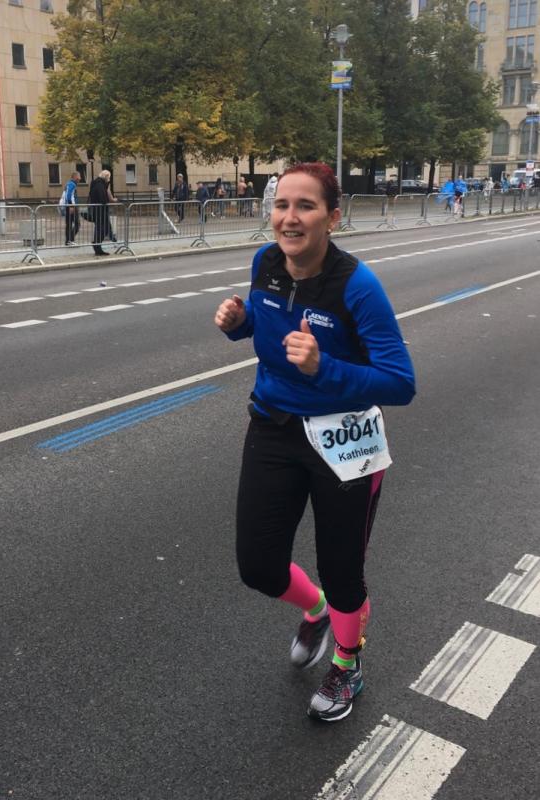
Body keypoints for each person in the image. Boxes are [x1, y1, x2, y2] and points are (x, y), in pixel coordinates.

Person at [214, 162, 415, 723]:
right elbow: (271, 328)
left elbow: (401, 383)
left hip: (344, 441)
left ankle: (348, 664)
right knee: (259, 566)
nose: (290, 217)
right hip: (274, 426)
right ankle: (316, 610)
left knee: (342, 568)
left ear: (333, 217)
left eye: (305, 206)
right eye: (281, 205)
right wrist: (239, 324)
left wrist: (324, 367)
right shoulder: (265, 262)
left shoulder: (357, 286)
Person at [89, 169, 114, 256]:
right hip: (100, 211)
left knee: (101, 229)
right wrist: (107, 200)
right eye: (109, 178)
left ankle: (97, 247)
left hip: (98, 210)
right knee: (103, 229)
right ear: (106, 177)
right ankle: (97, 245)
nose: (109, 179)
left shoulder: (96, 183)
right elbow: (102, 198)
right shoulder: (100, 184)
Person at [63, 171, 80, 245]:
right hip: (71, 206)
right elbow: (69, 195)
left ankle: (68, 241)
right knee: (77, 224)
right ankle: (70, 239)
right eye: (79, 176)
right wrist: (71, 206)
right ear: (75, 177)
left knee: (69, 224)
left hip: (69, 206)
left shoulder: (69, 183)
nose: (80, 178)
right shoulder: (72, 184)